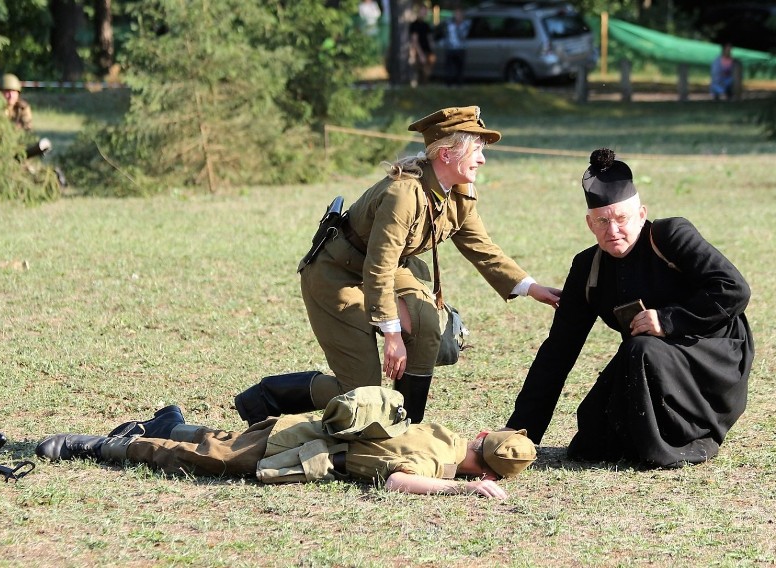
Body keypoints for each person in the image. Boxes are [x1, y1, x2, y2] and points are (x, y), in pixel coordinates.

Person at [236, 106, 560, 429]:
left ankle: (408, 426)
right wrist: (392, 335)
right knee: (362, 393)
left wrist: (532, 287)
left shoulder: (460, 194)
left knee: (426, 321)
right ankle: (265, 398)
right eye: (476, 150)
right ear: (446, 154)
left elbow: (482, 248)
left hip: (388, 269)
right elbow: (378, 267)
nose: (483, 159)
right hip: (337, 276)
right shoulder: (403, 194)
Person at [506, 148, 754, 469]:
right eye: (603, 222)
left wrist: (668, 320)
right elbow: (558, 351)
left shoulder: (671, 235)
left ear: (641, 214)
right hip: (650, 361)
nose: (613, 231)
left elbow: (735, 289)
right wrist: (521, 430)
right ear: (589, 224)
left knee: (641, 349)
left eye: (622, 219)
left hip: (712, 353)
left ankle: (678, 444)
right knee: (591, 434)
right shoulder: (587, 268)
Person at [35, 387, 537, 499]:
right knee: (204, 458)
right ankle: (97, 447)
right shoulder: (435, 464)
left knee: (225, 441)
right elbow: (393, 479)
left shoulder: (442, 434)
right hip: (292, 445)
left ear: (482, 436)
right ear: (490, 475)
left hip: (295, 428)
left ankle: (167, 420)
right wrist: (458, 491)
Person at [408, 4, 435, 87]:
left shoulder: (426, 25)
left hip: (426, 51)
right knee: (419, 73)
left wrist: (432, 51)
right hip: (419, 52)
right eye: (422, 11)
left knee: (427, 73)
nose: (424, 13)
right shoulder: (415, 25)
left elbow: (430, 39)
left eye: (425, 11)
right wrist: (421, 54)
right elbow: (415, 41)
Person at [443, 8, 469, 87]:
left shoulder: (465, 25)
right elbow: (446, 35)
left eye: (459, 15)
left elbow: (463, 36)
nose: (457, 16)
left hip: (460, 48)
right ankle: (449, 84)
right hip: (450, 48)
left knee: (460, 68)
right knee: (449, 68)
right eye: (456, 15)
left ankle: (459, 84)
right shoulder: (449, 24)